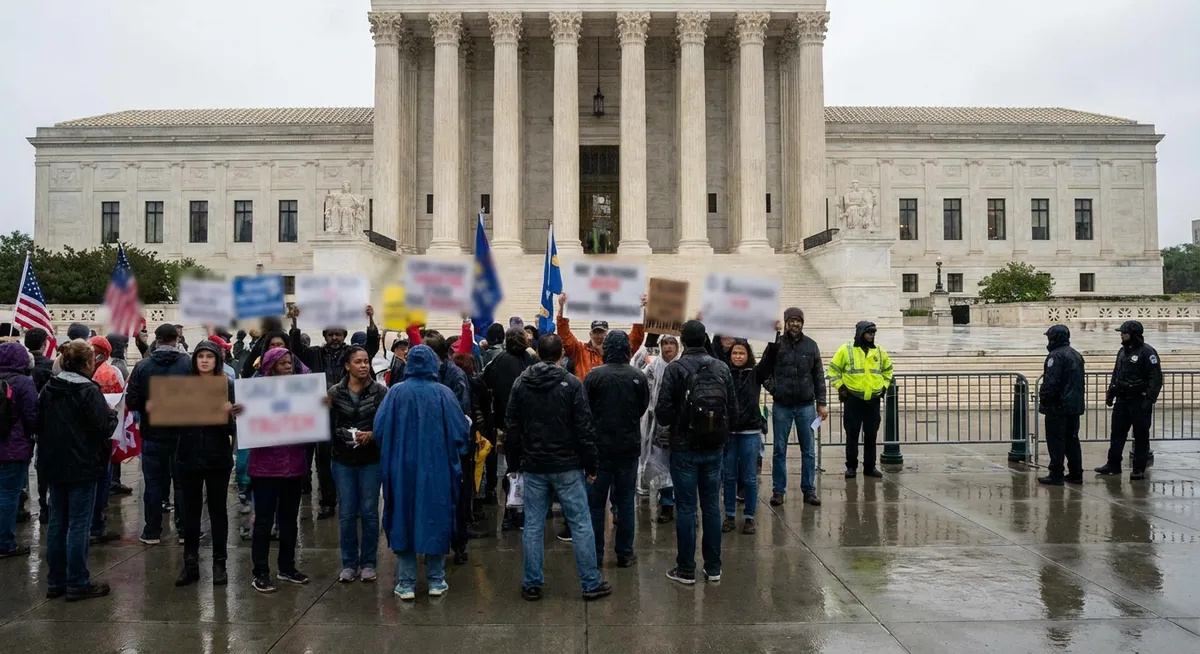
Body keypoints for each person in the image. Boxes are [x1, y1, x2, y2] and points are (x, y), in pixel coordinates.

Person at [506, 334, 612, 602]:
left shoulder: (521, 383)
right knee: (580, 523)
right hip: (567, 465)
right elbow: (584, 428)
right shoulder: (572, 384)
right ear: (561, 354)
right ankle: (590, 582)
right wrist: (591, 464)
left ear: (538, 353)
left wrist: (514, 463)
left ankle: (532, 583)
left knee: (532, 524)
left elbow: (512, 427)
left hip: (533, 465)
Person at [375, 345, 469, 599]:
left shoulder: (395, 393)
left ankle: (406, 583)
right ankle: (436, 579)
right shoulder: (444, 394)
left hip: (401, 469)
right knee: (435, 516)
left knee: (403, 518)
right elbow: (461, 432)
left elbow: (379, 429)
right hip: (437, 469)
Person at [654, 320, 737, 586]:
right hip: (714, 447)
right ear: (704, 340)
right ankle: (714, 567)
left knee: (687, 508)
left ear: (683, 341)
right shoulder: (722, 367)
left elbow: (663, 413)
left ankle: (686, 568)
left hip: (684, 448)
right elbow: (733, 410)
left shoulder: (676, 368)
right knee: (712, 506)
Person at [37, 339, 118, 601]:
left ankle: (55, 581)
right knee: (78, 525)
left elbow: (38, 423)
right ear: (87, 362)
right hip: (82, 464)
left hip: (53, 463)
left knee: (58, 522)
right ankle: (77, 582)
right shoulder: (88, 390)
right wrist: (112, 415)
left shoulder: (49, 388)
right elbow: (102, 427)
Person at [289, 305, 379, 519]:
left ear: (344, 335)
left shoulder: (352, 355)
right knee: (323, 457)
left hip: (349, 410)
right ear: (325, 336)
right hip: (323, 411)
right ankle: (328, 501)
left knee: (352, 453)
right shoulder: (314, 353)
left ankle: (352, 500)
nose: (335, 337)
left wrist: (371, 320)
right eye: (331, 334)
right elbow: (295, 348)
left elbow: (372, 346)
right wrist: (294, 322)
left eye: (338, 334)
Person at [173, 340, 239, 587]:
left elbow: (235, 422)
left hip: (217, 456)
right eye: (200, 356)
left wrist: (229, 414)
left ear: (216, 360)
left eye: (209, 356)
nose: (204, 360)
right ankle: (190, 564)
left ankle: (219, 564)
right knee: (190, 513)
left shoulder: (227, 385)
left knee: (217, 511)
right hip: (189, 455)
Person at [248, 347, 313, 593]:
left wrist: (319, 407)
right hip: (265, 467)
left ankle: (287, 567)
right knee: (264, 522)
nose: (287, 366)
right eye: (282, 362)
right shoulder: (256, 392)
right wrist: (240, 414)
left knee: (288, 521)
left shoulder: (301, 391)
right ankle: (261, 572)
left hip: (293, 465)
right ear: (271, 365)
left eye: (290, 362)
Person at [584, 330, 650, 568]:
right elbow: (642, 407)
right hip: (628, 448)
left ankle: (596, 553)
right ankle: (624, 552)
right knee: (625, 503)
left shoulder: (593, 376)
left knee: (595, 506)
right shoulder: (638, 376)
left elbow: (585, 410)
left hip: (599, 450)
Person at [125, 324, 192, 546]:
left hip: (153, 433)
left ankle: (152, 531)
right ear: (176, 339)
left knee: (153, 483)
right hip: (182, 433)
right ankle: (185, 530)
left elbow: (132, 401)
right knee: (182, 484)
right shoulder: (188, 364)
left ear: (157, 339)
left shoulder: (143, 366)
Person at [328, 346, 387, 583]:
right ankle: (349, 563)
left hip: (370, 460)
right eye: (358, 362)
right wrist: (344, 434)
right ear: (347, 366)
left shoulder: (380, 392)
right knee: (347, 512)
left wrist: (371, 434)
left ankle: (369, 562)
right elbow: (327, 425)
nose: (363, 366)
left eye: (366, 362)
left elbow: (385, 423)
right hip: (342, 459)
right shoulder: (334, 393)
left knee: (370, 512)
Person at [759, 307, 827, 506]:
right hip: (782, 405)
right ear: (786, 322)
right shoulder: (776, 344)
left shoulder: (811, 346)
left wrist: (821, 403)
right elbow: (764, 371)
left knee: (809, 450)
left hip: (806, 405)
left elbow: (818, 376)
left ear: (802, 323)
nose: (795, 324)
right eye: (792, 320)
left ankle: (809, 490)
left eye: (798, 320)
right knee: (779, 449)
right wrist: (775, 390)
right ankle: (778, 491)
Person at [482, 327, 536, 529]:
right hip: (526, 426)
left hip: (505, 426)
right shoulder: (531, 361)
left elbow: (482, 382)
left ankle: (509, 513)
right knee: (522, 471)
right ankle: (518, 513)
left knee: (510, 471)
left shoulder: (498, 360)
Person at [1097, 320, 1163, 480]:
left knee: (1141, 436)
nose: (1121, 335)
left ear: (1133, 334)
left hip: (1139, 401)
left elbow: (1155, 379)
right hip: (1122, 399)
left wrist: (1149, 399)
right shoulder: (1122, 351)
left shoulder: (1148, 353)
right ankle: (1113, 464)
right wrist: (1110, 393)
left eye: (1124, 333)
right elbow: (1116, 374)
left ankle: (1139, 468)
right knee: (1117, 434)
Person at [828, 321, 893, 481]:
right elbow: (833, 370)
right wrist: (841, 387)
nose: (871, 335)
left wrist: (883, 386)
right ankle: (851, 467)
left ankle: (870, 467)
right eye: (869, 332)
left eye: (873, 333)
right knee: (852, 434)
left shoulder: (879, 351)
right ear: (861, 333)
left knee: (871, 434)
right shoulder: (846, 349)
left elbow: (888, 369)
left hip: (873, 399)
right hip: (853, 399)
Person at [723, 339, 770, 535]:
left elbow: (770, 358)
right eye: (734, 353)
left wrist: (773, 334)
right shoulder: (723, 372)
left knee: (750, 477)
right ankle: (730, 516)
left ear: (748, 355)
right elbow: (709, 350)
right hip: (730, 432)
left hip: (750, 432)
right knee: (729, 476)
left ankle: (750, 517)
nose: (738, 357)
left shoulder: (756, 374)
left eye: (741, 353)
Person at [0, 342, 38, 558]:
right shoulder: (23, 383)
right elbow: (32, 415)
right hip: (14, 447)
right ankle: (5, 542)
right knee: (8, 495)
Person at [637, 334, 680, 522]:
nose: (668, 347)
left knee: (680, 465)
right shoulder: (652, 367)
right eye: (665, 343)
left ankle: (685, 505)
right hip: (658, 423)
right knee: (662, 465)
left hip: (680, 424)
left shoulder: (684, 366)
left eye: (672, 343)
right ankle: (667, 504)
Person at [555, 293, 647, 380]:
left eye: (601, 332)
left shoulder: (618, 352)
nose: (599, 336)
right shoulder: (580, 351)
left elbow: (636, 337)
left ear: (606, 334)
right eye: (596, 332)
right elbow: (565, 336)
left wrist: (640, 311)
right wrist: (562, 309)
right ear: (590, 334)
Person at [86, 336, 124, 546]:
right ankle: (96, 525)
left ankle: (92, 523)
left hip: (84, 436)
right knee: (101, 480)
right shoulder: (111, 372)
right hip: (104, 435)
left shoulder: (76, 369)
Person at [1038, 325, 1086, 486]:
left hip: (1058, 406)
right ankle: (1075, 472)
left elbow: (1051, 382)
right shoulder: (1076, 355)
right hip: (1074, 405)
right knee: (1072, 440)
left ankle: (1056, 473)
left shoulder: (1055, 356)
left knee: (1056, 441)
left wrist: (1044, 399)